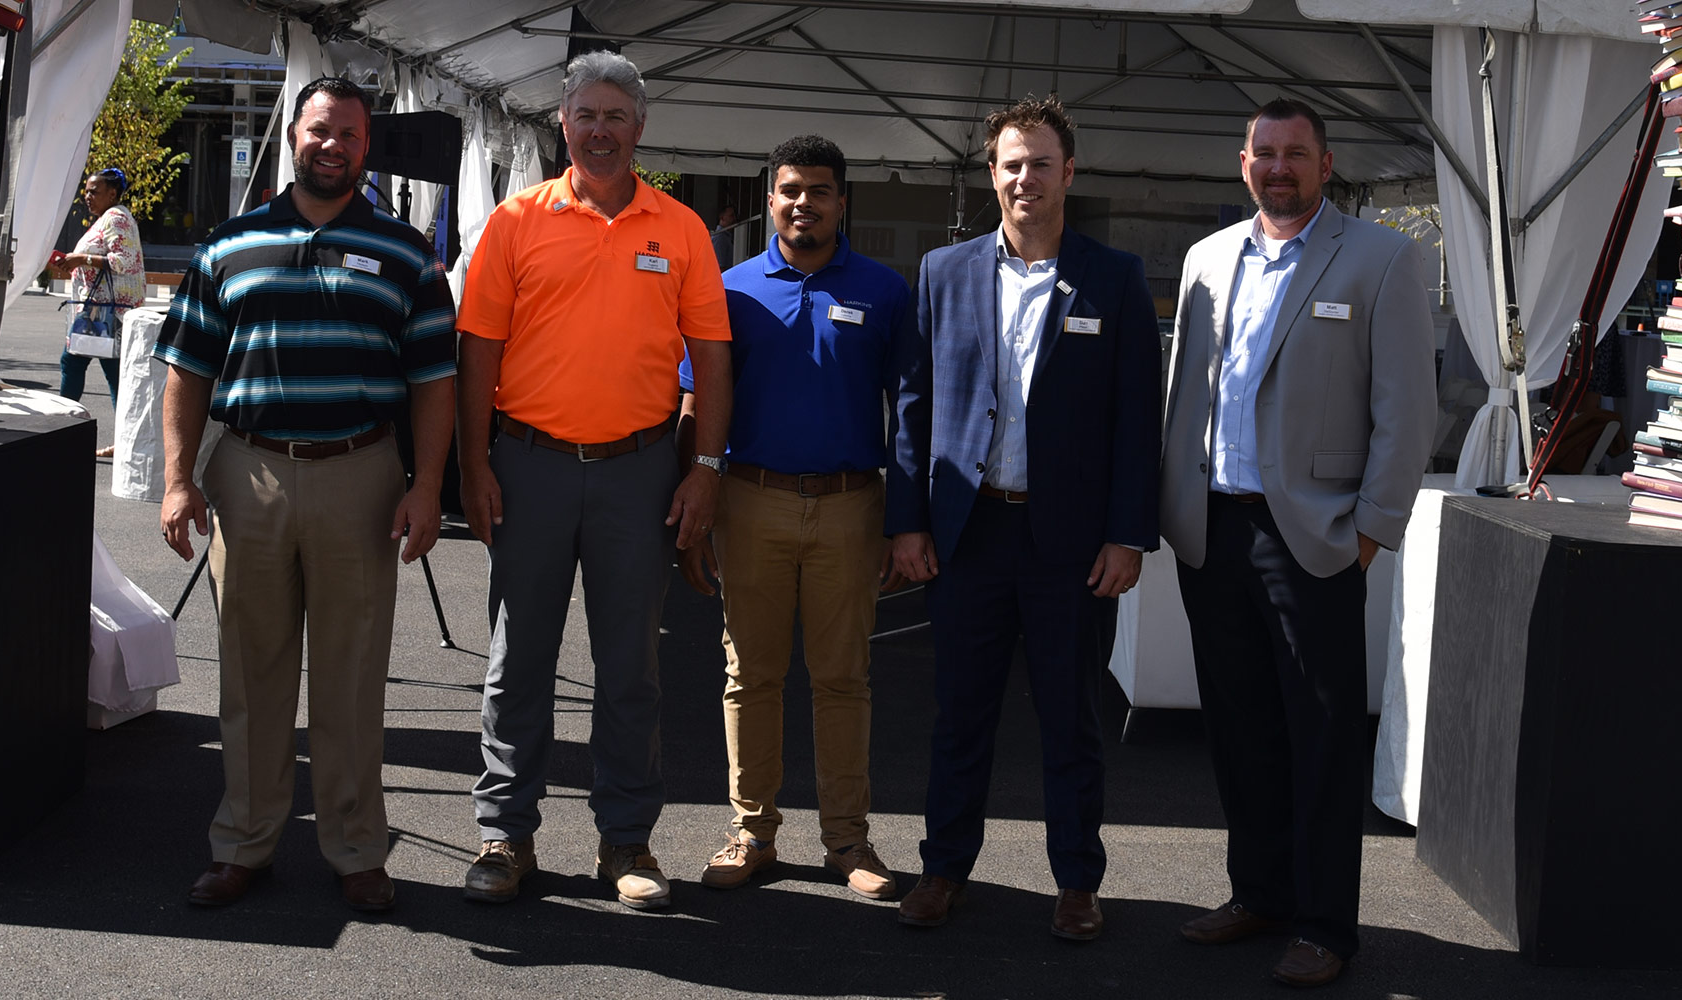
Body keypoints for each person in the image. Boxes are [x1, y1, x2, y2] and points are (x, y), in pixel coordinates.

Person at [152, 76, 458, 914]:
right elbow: (186, 369)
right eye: (321, 130)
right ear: (293, 136)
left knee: (353, 676)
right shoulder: (229, 244)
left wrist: (428, 486)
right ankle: (243, 843)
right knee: (251, 675)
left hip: (361, 475)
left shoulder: (406, 253)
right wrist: (178, 479)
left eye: (351, 135)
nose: (335, 146)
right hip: (247, 471)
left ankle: (358, 848)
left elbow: (435, 379)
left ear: (367, 147)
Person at [1156, 99, 1435, 988]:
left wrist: (1370, 534)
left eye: (1295, 155)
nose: (1278, 169)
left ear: (1325, 163)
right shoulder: (1206, 259)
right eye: (1264, 154)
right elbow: (1183, 395)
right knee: (1238, 729)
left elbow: (1406, 412)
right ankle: (1260, 893)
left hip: (1313, 535)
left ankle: (1325, 926)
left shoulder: (1384, 258)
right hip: (1214, 529)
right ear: (1244, 164)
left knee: (1319, 737)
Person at [455, 50, 733, 912]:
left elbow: (713, 362)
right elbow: (476, 355)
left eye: (617, 116)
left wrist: (706, 471)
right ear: (563, 125)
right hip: (529, 467)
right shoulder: (514, 221)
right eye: (587, 116)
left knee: (630, 667)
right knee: (518, 661)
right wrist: (474, 465)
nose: (601, 130)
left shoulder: (680, 229)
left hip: (639, 472)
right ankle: (507, 834)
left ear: (640, 128)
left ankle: (626, 842)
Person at [885, 95, 1161, 941]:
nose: (1024, 177)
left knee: (1068, 719)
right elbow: (913, 404)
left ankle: (1077, 882)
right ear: (992, 172)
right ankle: (942, 870)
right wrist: (909, 522)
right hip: (970, 533)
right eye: (1011, 162)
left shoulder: (1113, 279)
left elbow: (1135, 418)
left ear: (1068, 173)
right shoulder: (944, 271)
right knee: (959, 714)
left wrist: (1127, 534)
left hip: (1069, 544)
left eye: (1041, 162)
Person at [678, 135, 913, 900]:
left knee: (845, 678)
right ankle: (752, 833)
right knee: (751, 675)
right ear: (768, 199)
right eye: (789, 189)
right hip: (749, 502)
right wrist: (689, 502)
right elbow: (693, 399)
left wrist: (901, 518)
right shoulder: (731, 289)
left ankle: (849, 842)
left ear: (843, 201)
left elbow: (912, 413)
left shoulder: (885, 291)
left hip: (850, 505)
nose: (803, 202)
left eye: (818, 190)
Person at [61, 168, 145, 457]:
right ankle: (125, 442)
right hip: (101, 312)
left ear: (112, 193)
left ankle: (59, 431)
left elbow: (125, 261)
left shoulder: (116, 218)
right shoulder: (108, 218)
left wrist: (81, 258)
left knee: (73, 365)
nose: (87, 196)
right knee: (112, 376)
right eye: (86, 191)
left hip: (106, 313)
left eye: (94, 191)